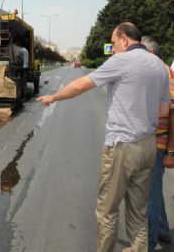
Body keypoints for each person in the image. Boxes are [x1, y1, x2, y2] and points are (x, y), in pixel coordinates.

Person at [37, 22, 170, 252]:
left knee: (107, 210)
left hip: (121, 147)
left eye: (114, 42)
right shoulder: (159, 65)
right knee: (138, 213)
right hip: (148, 147)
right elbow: (164, 112)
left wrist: (54, 97)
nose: (113, 47)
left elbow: (80, 86)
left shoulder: (120, 62)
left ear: (125, 39)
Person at [141, 36, 173, 251]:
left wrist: (170, 150)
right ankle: (162, 230)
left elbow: (172, 114)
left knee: (149, 195)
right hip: (152, 142)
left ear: (150, 54)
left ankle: (149, 245)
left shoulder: (162, 73)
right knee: (154, 190)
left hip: (158, 144)